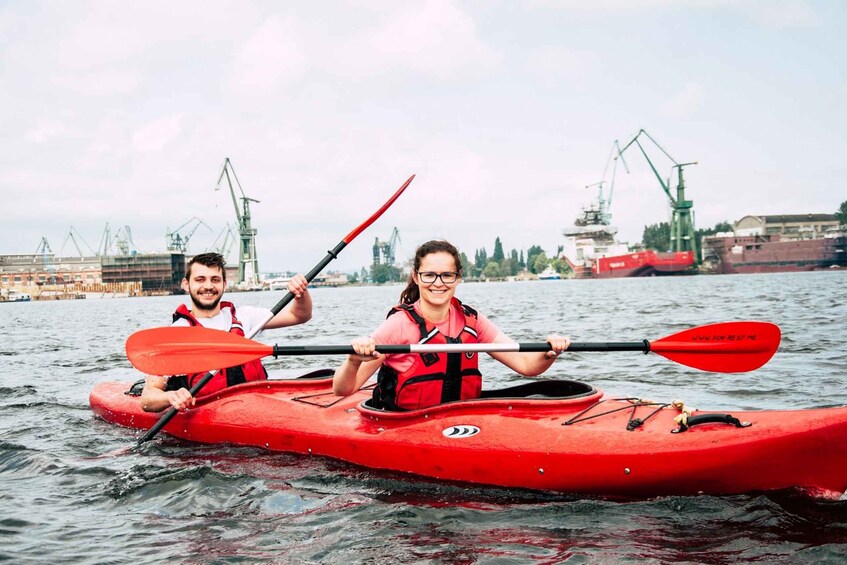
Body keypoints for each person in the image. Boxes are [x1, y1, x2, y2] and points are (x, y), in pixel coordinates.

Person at [333, 240, 569, 410]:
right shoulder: (398, 325)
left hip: (461, 422)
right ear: (416, 277)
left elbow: (528, 366)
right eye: (429, 275)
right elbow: (343, 390)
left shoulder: (472, 321)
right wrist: (353, 359)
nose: (438, 283)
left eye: (447, 275)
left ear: (458, 277)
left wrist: (550, 351)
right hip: (404, 424)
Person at [140, 252, 312, 413]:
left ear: (224, 284)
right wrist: (170, 396)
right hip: (208, 415)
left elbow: (299, 315)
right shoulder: (175, 336)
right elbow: (148, 398)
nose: (208, 286)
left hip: (258, 407)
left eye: (215, 280)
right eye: (200, 279)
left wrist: (301, 294)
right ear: (186, 284)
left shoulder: (245, 316)